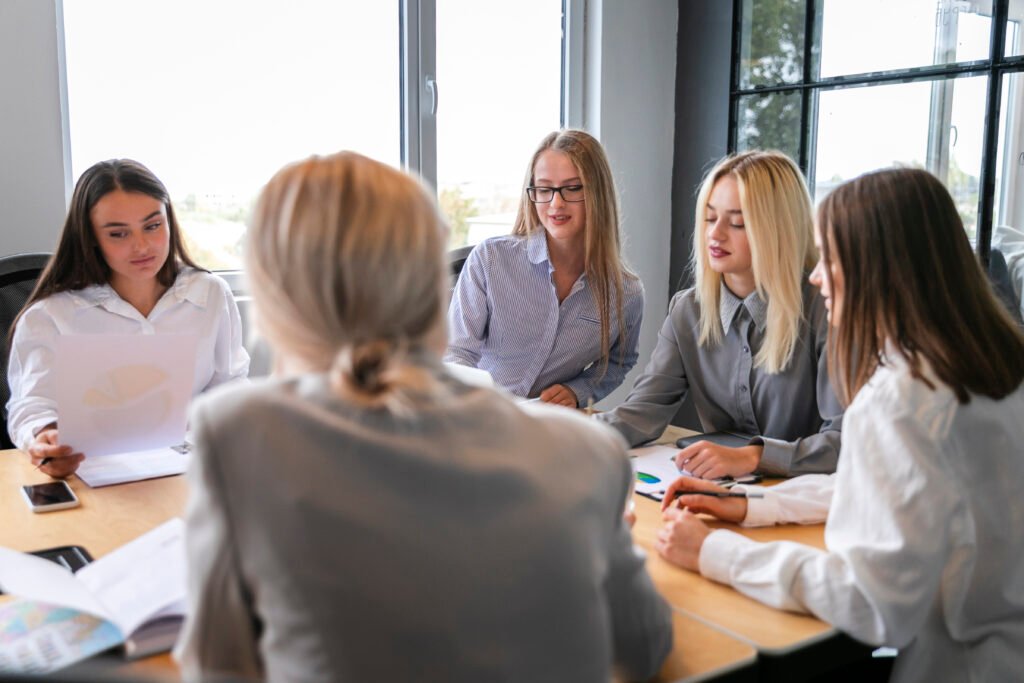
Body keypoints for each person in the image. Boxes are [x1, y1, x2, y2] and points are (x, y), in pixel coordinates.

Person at [174, 151, 672, 682]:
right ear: (433, 281)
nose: (555, 202)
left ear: (276, 292)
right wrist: (597, 540)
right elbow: (644, 648)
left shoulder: (239, 435)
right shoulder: (588, 454)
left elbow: (218, 667)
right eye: (544, 189)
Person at [656, 167, 1024, 682]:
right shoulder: (988, 368)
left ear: (880, 271)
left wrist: (714, 551)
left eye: (829, 258)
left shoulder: (900, 400)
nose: (815, 276)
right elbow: (900, 492)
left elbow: (873, 604)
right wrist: (753, 505)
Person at [597, 150, 842, 478]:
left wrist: (754, 457)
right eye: (710, 218)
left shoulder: (826, 309)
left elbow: (845, 440)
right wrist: (564, 437)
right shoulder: (688, 310)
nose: (716, 234)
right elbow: (641, 411)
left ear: (779, 230)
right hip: (721, 490)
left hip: (807, 494)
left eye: (737, 223)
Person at [6, 159, 249, 478]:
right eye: (119, 234)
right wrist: (45, 438)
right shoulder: (50, 316)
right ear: (91, 237)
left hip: (189, 470)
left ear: (169, 220)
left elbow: (229, 385)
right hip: (91, 471)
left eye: (153, 226)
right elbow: (32, 405)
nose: (142, 246)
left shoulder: (209, 294)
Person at [445, 129, 643, 408]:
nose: (556, 203)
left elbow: (620, 361)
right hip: (480, 416)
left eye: (573, 188)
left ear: (598, 193)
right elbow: (457, 352)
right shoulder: (490, 260)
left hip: (550, 423)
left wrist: (578, 391)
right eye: (544, 189)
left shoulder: (626, 293)